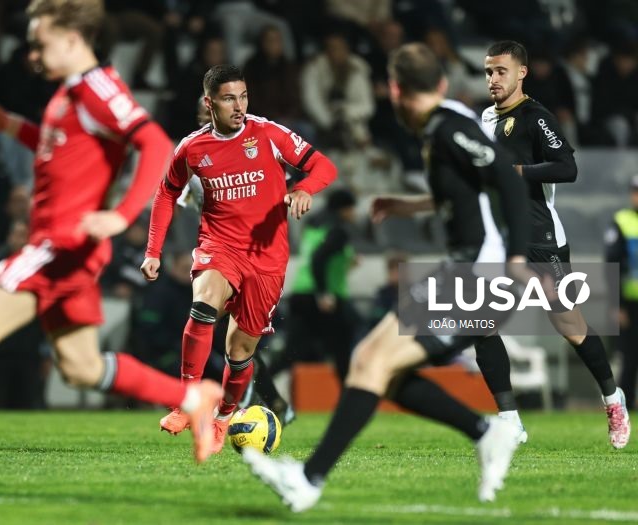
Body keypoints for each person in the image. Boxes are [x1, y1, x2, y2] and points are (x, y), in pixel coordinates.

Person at [0, 0, 223, 504]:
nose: (32, 53)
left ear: (71, 38)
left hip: (59, 245)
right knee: (82, 368)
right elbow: (61, 150)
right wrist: (8, 127)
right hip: (65, 248)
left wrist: (122, 215)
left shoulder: (99, 87)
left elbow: (153, 144)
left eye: (40, 43)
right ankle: (194, 398)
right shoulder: (70, 94)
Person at [242, 42, 534, 511]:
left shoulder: (445, 129)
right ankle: (486, 432)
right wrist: (409, 203)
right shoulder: (442, 124)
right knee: (371, 364)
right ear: (440, 83)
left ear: (394, 91)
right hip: (463, 272)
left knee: (372, 363)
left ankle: (309, 479)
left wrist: (518, 259)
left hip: (482, 278)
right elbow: (471, 188)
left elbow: (509, 179)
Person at [141, 64, 337, 454]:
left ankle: (225, 415)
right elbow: (166, 193)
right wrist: (153, 251)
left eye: (243, 96)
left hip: (267, 258)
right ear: (209, 102)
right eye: (230, 98)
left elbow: (323, 166)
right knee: (203, 305)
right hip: (220, 246)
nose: (239, 106)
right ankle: (187, 399)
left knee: (240, 350)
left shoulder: (267, 133)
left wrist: (303, 189)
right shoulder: (192, 148)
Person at [477, 40, 630, 448]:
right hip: (500, 239)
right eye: (488, 71)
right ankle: (509, 419)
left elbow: (567, 167)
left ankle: (613, 398)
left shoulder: (535, 117)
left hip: (542, 238)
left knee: (568, 325)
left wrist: (516, 171)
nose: (493, 79)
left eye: (501, 71)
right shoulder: (486, 119)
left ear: (522, 72)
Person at [271, 188, 359, 382]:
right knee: (342, 350)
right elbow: (318, 259)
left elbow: (317, 256)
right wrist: (324, 293)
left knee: (292, 352)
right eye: (352, 208)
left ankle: (258, 385)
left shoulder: (313, 224)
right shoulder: (339, 230)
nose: (355, 213)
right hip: (325, 299)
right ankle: (351, 398)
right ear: (344, 209)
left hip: (301, 294)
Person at [605, 175, 638, 411]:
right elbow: (611, 266)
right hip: (631, 302)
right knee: (630, 358)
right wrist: (616, 305)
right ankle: (627, 407)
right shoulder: (622, 220)